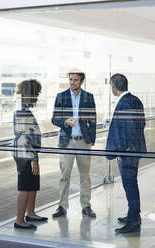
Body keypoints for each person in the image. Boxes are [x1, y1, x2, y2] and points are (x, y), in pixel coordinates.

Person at [51, 69, 97, 218]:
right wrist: (64, 121)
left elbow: (93, 120)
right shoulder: (61, 96)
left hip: (83, 142)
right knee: (64, 176)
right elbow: (54, 118)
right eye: (71, 79)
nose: (72, 82)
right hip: (67, 142)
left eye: (75, 80)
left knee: (85, 176)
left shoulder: (89, 97)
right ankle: (62, 206)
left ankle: (86, 205)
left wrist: (92, 140)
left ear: (82, 81)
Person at [105, 73, 146, 234]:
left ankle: (133, 220)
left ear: (114, 88)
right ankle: (133, 214)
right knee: (132, 184)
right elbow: (141, 124)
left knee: (130, 186)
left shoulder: (125, 103)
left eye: (111, 87)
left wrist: (121, 150)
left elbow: (128, 128)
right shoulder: (135, 100)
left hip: (127, 153)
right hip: (134, 150)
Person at [12, 79, 47, 230]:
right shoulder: (21, 110)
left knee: (32, 184)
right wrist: (32, 158)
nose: (38, 96)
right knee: (25, 186)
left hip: (28, 151)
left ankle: (30, 213)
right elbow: (25, 136)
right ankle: (19, 220)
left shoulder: (23, 108)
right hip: (25, 153)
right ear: (30, 94)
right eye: (36, 93)